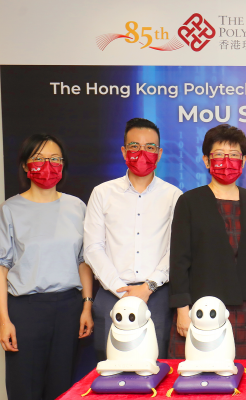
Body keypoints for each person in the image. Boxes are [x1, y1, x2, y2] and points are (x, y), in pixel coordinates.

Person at [0, 134, 93, 400]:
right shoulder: (8, 211)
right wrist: (4, 321)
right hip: (26, 311)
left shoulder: (76, 206)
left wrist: (87, 305)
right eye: (39, 158)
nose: (48, 165)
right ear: (24, 165)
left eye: (55, 158)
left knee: (64, 387)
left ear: (63, 164)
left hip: (69, 308)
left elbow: (83, 261)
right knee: (25, 388)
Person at [169, 124, 246, 359]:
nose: (226, 162)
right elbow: (179, 261)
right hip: (200, 309)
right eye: (218, 155)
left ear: (244, 160)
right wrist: (182, 311)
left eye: (234, 155)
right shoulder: (189, 202)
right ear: (206, 160)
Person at [84, 118, 182, 360]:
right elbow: (93, 248)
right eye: (134, 146)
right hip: (111, 293)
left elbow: (176, 250)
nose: (142, 153)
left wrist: (148, 287)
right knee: (111, 369)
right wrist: (121, 290)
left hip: (157, 295)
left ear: (159, 154)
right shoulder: (102, 193)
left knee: (155, 367)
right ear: (123, 151)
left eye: (150, 147)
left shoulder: (174, 196)